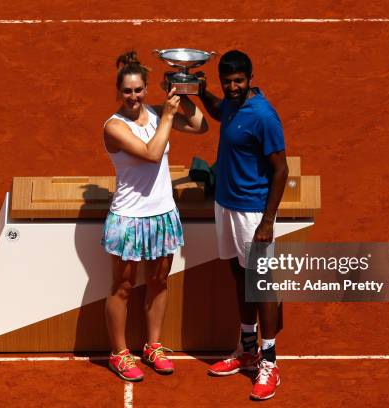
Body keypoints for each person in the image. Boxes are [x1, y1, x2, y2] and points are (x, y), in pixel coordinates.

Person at [101, 51, 207, 382]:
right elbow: (151, 154)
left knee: (159, 282)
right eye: (127, 91)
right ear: (119, 92)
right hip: (129, 218)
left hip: (162, 215)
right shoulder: (114, 127)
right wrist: (166, 117)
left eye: (139, 90)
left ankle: (153, 346)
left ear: (147, 88)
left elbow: (198, 126)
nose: (133, 97)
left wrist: (184, 92)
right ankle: (118, 354)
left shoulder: (157, 111)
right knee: (123, 286)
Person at [196, 50, 289, 400]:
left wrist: (267, 221)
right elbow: (220, 110)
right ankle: (247, 348)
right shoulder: (233, 104)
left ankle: (269, 361)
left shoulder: (264, 115)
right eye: (228, 82)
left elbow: (281, 169)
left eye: (239, 81)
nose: (233, 87)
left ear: (250, 78)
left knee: (260, 284)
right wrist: (202, 93)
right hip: (227, 206)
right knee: (239, 274)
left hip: (253, 213)